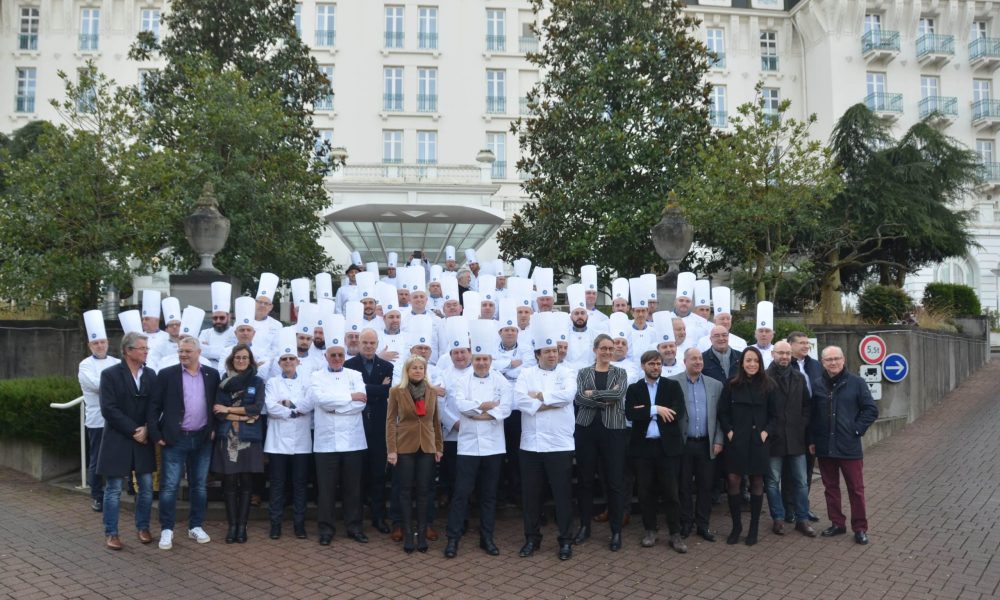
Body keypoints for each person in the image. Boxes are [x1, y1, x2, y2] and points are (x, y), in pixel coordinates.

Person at [443, 323, 513, 558]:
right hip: (468, 446)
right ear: (472, 359)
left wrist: (478, 412)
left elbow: (506, 408)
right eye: (478, 359)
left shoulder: (501, 380)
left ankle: (487, 537)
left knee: (489, 495)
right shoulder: (462, 381)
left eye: (485, 359)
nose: (481, 363)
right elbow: (461, 405)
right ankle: (453, 539)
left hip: (494, 446)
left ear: (491, 360)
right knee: (461, 494)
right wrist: (486, 407)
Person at [513, 313, 578, 560]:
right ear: (537, 354)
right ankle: (532, 538)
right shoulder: (525, 374)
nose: (553, 354)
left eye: (555, 351)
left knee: (562, 496)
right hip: (531, 445)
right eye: (547, 351)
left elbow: (568, 396)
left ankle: (565, 540)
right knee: (531, 496)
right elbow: (519, 400)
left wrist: (539, 397)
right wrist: (550, 402)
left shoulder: (568, 373)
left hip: (560, 444)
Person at [148, 337, 220, 550]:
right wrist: (156, 434)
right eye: (180, 351)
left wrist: (213, 428)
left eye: (188, 351)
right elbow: (154, 406)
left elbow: (216, 404)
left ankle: (195, 526)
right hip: (175, 438)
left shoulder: (212, 375)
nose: (183, 354)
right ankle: (167, 529)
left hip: (202, 438)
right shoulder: (166, 375)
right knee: (169, 486)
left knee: (199, 486)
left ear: (198, 352)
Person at [810, 345, 879, 545]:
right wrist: (813, 440)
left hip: (849, 447)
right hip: (825, 447)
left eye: (836, 358)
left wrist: (855, 430)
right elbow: (812, 416)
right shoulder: (817, 385)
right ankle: (837, 523)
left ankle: (860, 528)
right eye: (828, 359)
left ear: (843, 360)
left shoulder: (857, 383)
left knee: (856, 489)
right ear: (822, 363)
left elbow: (870, 410)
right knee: (830, 488)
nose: (833, 362)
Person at [96, 331, 156, 550]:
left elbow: (155, 406)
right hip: (118, 437)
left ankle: (143, 527)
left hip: (143, 438)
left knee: (146, 486)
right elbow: (108, 409)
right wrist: (133, 430)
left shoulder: (150, 375)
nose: (146, 352)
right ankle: (111, 533)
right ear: (128, 351)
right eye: (142, 348)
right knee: (113, 488)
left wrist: (148, 428)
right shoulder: (110, 375)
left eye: (147, 348)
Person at [311, 327, 370, 546]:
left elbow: (361, 404)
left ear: (345, 357)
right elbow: (321, 400)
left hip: (353, 441)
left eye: (340, 355)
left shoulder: (355, 375)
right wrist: (349, 397)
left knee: (353, 488)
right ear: (326, 356)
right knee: (326, 489)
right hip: (326, 443)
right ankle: (326, 529)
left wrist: (335, 407)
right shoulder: (316, 376)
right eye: (333, 355)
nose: (337, 358)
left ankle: (354, 527)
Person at [625, 350, 687, 553]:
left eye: (658, 364)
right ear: (643, 366)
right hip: (642, 448)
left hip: (667, 447)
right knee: (645, 492)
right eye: (651, 364)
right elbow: (630, 413)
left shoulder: (672, 386)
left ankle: (675, 533)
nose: (655, 367)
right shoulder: (634, 388)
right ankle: (650, 530)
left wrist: (645, 411)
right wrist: (657, 409)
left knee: (671, 492)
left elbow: (677, 412)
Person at [573, 333, 630, 552]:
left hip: (613, 431)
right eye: (603, 348)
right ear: (595, 350)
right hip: (586, 430)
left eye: (610, 348)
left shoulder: (620, 372)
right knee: (585, 480)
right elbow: (579, 398)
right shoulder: (583, 372)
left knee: (614, 481)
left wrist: (593, 394)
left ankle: (616, 531)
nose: (607, 352)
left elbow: (618, 395)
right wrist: (604, 397)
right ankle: (584, 527)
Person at [717, 346, 776, 546]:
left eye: (756, 361)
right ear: (742, 363)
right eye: (748, 360)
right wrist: (729, 432)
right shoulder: (731, 384)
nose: (752, 364)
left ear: (760, 363)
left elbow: (776, 415)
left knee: (757, 481)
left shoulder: (769, 385)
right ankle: (736, 527)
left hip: (758, 441)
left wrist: (766, 432)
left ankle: (753, 528)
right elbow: (722, 412)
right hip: (737, 441)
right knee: (733, 480)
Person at [387, 355, 444, 553]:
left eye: (421, 368)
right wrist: (391, 450)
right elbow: (390, 421)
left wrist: (439, 446)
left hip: (427, 446)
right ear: (407, 371)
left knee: (424, 490)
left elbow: (435, 421)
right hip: (404, 446)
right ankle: (408, 533)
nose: (418, 371)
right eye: (414, 368)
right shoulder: (397, 391)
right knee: (404, 491)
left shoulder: (431, 392)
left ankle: (421, 532)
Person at [211, 343, 266, 544]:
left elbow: (257, 408)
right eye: (237, 357)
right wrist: (243, 415)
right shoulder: (223, 381)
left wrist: (229, 410)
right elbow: (217, 411)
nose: (241, 361)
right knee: (229, 482)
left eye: (244, 357)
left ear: (250, 361)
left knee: (246, 482)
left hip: (249, 438)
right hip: (228, 437)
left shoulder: (257, 382)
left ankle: (242, 526)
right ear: (232, 360)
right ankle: (232, 525)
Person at [264, 330, 315, 541]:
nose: (288, 362)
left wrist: (286, 404)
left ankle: (299, 525)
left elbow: (310, 403)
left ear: (297, 361)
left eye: (291, 358)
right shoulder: (272, 382)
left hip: (301, 441)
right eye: (284, 359)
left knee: (300, 484)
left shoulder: (307, 382)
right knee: (277, 484)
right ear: (279, 363)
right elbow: (270, 407)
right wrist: (295, 410)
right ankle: (275, 524)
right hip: (277, 442)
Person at [670, 347, 724, 542]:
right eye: (693, 359)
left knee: (705, 486)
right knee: (684, 486)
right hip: (684, 444)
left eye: (700, 358)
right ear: (684, 361)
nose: (698, 362)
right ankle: (686, 523)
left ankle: (703, 524)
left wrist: (718, 440)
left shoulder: (715, 385)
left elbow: (721, 416)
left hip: (707, 444)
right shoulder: (673, 382)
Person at [345, 328, 395, 534]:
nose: (368, 346)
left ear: (377, 344)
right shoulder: (348, 365)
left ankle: (378, 517)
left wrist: (364, 389)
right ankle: (355, 520)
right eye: (365, 342)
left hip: (378, 427)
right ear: (359, 344)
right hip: (356, 426)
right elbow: (350, 392)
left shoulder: (387, 366)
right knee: (356, 476)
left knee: (378, 474)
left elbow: (387, 392)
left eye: (372, 343)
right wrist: (377, 388)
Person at [764, 341, 815, 537]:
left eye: (787, 353)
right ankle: (778, 518)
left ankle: (802, 519)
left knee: (801, 481)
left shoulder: (799, 377)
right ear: (773, 354)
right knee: (772, 481)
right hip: (774, 439)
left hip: (796, 438)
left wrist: (802, 424)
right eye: (780, 353)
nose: (784, 356)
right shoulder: (764, 378)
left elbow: (806, 406)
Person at [79, 310, 120, 513]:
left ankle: (116, 492)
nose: (100, 346)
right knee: (97, 459)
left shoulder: (116, 362)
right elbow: (97, 386)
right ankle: (96, 495)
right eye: (96, 343)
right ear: (90, 345)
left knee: (119, 457)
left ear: (107, 343)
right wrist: (116, 385)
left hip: (117, 419)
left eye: (102, 342)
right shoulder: (85, 365)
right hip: (97, 419)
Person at [787, 331, 822, 523]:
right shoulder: (784, 364)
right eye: (801, 343)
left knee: (807, 468)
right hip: (791, 425)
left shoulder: (815, 365)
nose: (805, 346)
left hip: (811, 424)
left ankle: (803, 507)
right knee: (789, 470)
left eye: (807, 343)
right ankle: (789, 508)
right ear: (790, 345)